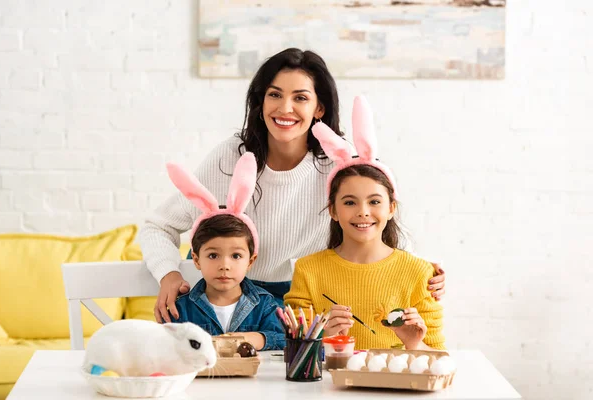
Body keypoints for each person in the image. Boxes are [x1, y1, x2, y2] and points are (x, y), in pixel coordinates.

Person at [140, 48, 446, 324]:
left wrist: (417, 271)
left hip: (313, 302)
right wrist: (168, 275)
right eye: (274, 95)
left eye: (300, 97)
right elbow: (159, 226)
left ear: (319, 108)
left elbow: (372, 219)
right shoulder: (230, 157)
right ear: (260, 103)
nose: (285, 108)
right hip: (233, 299)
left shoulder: (337, 162)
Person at [284, 96, 444, 350]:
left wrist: (414, 344)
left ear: (391, 208)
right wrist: (321, 338)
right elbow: (291, 354)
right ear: (333, 210)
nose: (363, 212)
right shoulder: (307, 270)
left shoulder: (420, 272)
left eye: (374, 202)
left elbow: (439, 357)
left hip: (393, 388)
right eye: (349, 202)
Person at [167, 153, 284, 351]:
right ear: (196, 259)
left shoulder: (264, 305)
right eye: (213, 255)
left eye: (236, 256)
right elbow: (163, 346)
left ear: (250, 260)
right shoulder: (181, 309)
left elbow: (283, 339)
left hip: (252, 381)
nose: (224, 265)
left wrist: (254, 338)